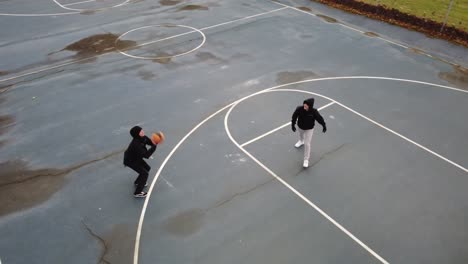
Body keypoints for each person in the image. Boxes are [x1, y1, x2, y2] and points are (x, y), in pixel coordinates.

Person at [291, 98, 327, 168]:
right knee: (301, 135)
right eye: (304, 104)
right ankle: (301, 141)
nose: (304, 105)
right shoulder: (299, 109)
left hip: (309, 129)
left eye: (306, 105)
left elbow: (319, 119)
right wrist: (292, 124)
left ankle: (306, 160)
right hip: (300, 127)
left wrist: (324, 125)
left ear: (310, 106)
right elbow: (294, 116)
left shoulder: (314, 112)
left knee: (307, 144)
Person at [123, 126, 157, 198]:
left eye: (142, 130)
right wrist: (154, 147)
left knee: (147, 168)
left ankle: (137, 182)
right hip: (130, 160)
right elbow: (146, 155)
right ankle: (137, 192)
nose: (143, 132)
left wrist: (154, 142)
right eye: (141, 131)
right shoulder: (135, 144)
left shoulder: (143, 137)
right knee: (144, 174)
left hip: (136, 157)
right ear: (137, 134)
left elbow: (149, 142)